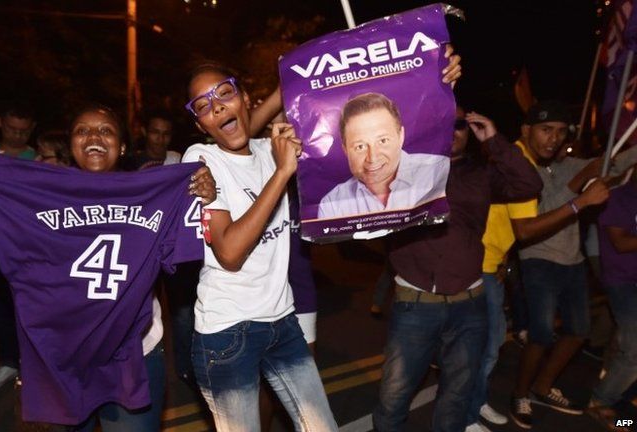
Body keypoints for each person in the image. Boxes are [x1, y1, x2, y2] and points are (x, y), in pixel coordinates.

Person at [0, 103, 216, 431]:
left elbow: (219, 244)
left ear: (123, 145)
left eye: (106, 130)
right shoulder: (32, 195)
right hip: (60, 359)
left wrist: (208, 197)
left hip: (134, 351)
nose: (94, 136)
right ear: (71, 146)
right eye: (82, 130)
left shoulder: (157, 193)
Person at [181, 63, 339, 432]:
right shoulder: (202, 161)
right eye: (203, 106)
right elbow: (230, 253)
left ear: (246, 98)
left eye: (224, 93)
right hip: (226, 332)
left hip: (283, 320)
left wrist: (430, 76)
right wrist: (282, 173)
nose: (217, 107)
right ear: (200, 125)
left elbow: (337, 112)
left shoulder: (272, 149)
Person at [373, 107, 543, 432]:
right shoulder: (399, 170)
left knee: (456, 398)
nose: (452, 131)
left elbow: (529, 184)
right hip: (415, 305)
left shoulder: (482, 174)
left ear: (470, 130)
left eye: (460, 125)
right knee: (393, 400)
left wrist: (493, 140)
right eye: (442, 123)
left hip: (470, 305)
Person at [510, 101, 637, 430]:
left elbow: (614, 163)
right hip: (537, 259)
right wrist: (583, 186)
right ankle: (520, 394)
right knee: (540, 335)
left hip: (573, 261)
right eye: (546, 130)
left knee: (579, 331)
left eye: (560, 131)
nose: (553, 139)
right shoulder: (519, 167)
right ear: (526, 132)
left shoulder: (566, 166)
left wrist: (606, 165)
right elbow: (540, 216)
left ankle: (542, 386)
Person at [0, 100, 39, 390]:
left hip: (31, 247)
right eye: (12, 129)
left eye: (23, 131)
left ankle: (34, 365)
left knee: (33, 306)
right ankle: (8, 362)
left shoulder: (38, 160)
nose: (17, 136)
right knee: (1, 304)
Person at [317, 92, 450, 219]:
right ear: (345, 150)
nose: (373, 157)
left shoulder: (439, 171)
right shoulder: (332, 205)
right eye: (360, 146)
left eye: (383, 141)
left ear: (401, 136)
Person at [586, 170, 637, 432]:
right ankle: (602, 402)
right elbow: (621, 243)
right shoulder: (619, 197)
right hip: (623, 281)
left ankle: (619, 407)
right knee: (634, 346)